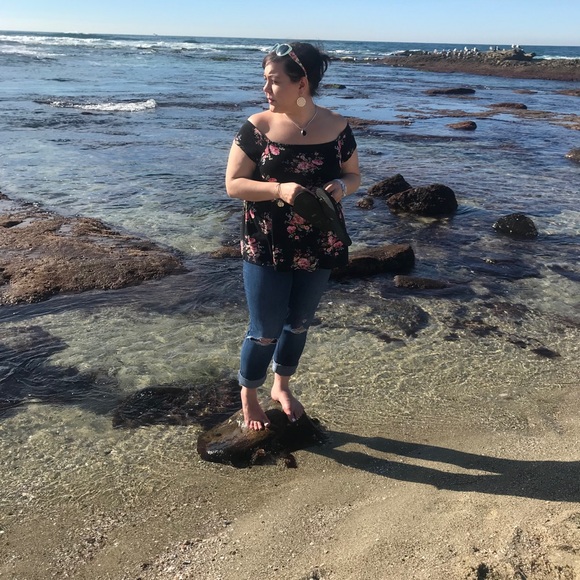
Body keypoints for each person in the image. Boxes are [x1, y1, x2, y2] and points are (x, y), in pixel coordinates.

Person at [225, 42, 361, 430]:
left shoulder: (337, 126)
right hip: (266, 242)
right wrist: (278, 190)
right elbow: (233, 185)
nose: (265, 89)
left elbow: (354, 175)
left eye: (274, 80)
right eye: (265, 80)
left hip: (320, 240)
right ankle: (248, 394)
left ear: (302, 83)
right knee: (264, 330)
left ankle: (281, 386)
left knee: (299, 322)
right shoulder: (258, 127)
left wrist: (342, 186)